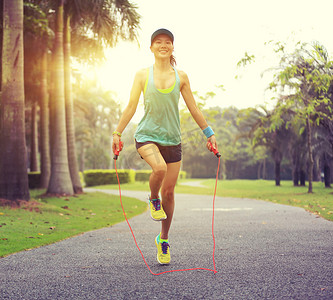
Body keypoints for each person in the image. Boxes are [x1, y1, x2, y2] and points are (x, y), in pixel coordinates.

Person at [112, 28, 218, 265]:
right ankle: (152, 198)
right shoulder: (141, 75)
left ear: (172, 47)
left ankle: (163, 239)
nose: (163, 45)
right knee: (158, 169)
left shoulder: (181, 77)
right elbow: (130, 106)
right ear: (151, 47)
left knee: (169, 192)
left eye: (167, 42)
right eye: (158, 42)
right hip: (147, 135)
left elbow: (194, 108)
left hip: (173, 140)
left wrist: (209, 133)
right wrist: (117, 133)